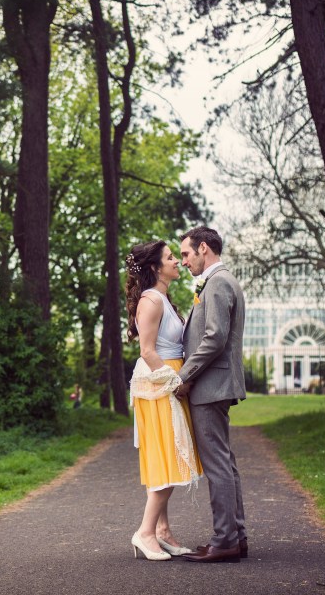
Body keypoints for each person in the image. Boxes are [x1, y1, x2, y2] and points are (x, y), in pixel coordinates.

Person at [125, 240, 203, 561]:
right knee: (167, 460)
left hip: (166, 381)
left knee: (166, 459)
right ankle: (144, 533)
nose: (176, 261)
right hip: (159, 385)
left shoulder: (163, 299)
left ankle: (162, 531)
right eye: (171, 258)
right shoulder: (151, 301)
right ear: (156, 268)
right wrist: (176, 382)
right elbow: (147, 351)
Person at [174, 226, 248, 564]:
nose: (184, 261)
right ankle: (235, 537)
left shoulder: (217, 283)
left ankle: (225, 541)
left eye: (186, 253)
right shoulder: (220, 281)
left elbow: (215, 338)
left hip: (209, 387)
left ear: (204, 248)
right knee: (226, 464)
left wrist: (184, 376)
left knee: (217, 465)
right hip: (217, 385)